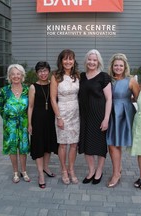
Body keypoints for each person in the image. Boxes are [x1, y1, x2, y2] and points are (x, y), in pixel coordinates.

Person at [78, 49, 112, 185]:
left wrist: (106, 119)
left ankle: (99, 171)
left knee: (99, 145)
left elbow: (109, 99)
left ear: (98, 62)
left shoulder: (103, 77)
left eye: (95, 60)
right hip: (85, 117)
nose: (92, 62)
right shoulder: (81, 76)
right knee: (87, 145)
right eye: (90, 59)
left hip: (99, 116)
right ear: (86, 61)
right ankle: (91, 171)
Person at [106, 53, 140, 188]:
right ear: (112, 66)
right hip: (110, 112)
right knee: (111, 143)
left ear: (125, 66)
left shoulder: (131, 80)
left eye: (121, 65)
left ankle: (116, 173)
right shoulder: (108, 79)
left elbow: (138, 98)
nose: (118, 68)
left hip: (124, 114)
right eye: (116, 65)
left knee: (115, 143)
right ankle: (117, 170)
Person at [50, 49, 80, 185]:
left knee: (74, 144)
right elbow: (52, 98)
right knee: (62, 144)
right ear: (61, 61)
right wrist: (58, 117)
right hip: (62, 111)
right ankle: (63, 170)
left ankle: (71, 169)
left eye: (70, 59)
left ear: (74, 61)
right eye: (65, 59)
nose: (68, 62)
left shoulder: (77, 75)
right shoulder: (56, 76)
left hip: (76, 112)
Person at [0, 64, 30, 183]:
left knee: (23, 147)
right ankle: (15, 172)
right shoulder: (5, 91)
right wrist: (7, 119)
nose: (16, 76)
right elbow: (0, 107)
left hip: (23, 123)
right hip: (10, 124)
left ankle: (24, 171)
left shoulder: (27, 89)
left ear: (22, 75)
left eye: (18, 74)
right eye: (13, 74)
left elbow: (30, 107)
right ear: (9, 76)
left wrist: (28, 122)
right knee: (12, 148)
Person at [28, 61, 58, 189]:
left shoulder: (52, 85)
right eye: (40, 71)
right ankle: (40, 173)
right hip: (37, 121)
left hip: (50, 121)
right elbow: (30, 106)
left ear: (49, 71)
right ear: (37, 73)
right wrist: (29, 124)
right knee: (39, 146)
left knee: (48, 145)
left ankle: (46, 167)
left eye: (45, 70)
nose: (43, 73)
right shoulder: (33, 87)